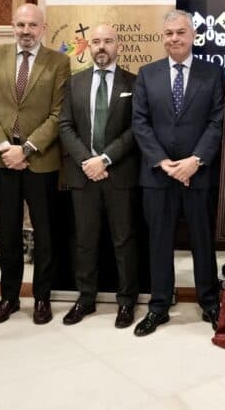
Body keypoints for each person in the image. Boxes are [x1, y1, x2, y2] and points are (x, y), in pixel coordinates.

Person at [131, 9, 224, 336]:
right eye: (169, 33)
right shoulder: (147, 74)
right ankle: (158, 305)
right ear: (162, 37)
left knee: (202, 241)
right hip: (158, 176)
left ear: (193, 35)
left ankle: (210, 302)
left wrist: (194, 160)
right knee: (158, 242)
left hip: (198, 174)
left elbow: (217, 121)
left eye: (180, 32)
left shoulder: (212, 74)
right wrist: (164, 162)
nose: (174, 38)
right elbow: (139, 123)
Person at [0, 3, 70, 325]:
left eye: (32, 25)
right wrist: (6, 148)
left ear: (43, 28)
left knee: (45, 233)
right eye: (20, 24)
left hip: (41, 161)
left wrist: (27, 148)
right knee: (9, 233)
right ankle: (9, 297)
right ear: (12, 26)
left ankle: (42, 298)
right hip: (3, 160)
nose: (26, 31)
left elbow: (59, 114)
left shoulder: (59, 61)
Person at [58, 24, 141, 328]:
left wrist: (105, 159)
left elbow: (137, 128)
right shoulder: (74, 83)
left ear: (118, 45)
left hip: (120, 173)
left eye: (108, 41)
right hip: (84, 175)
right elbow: (65, 125)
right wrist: (87, 160)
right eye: (96, 42)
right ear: (89, 47)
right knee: (85, 240)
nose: (101, 47)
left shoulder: (134, 81)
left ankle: (127, 301)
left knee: (124, 240)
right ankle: (86, 298)